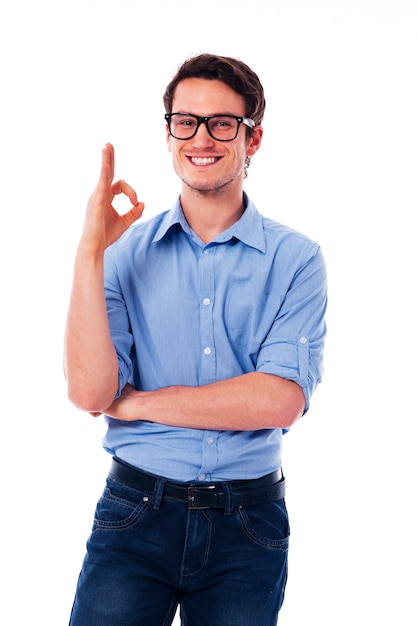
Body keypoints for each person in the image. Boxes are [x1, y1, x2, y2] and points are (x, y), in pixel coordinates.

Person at [64, 53, 327, 626]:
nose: (201, 138)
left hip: (248, 523)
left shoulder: (296, 260)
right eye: (185, 121)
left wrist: (136, 404)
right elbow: (89, 392)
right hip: (134, 513)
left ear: (252, 140)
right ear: (168, 133)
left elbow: (279, 400)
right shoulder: (121, 256)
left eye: (221, 123)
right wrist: (90, 253)